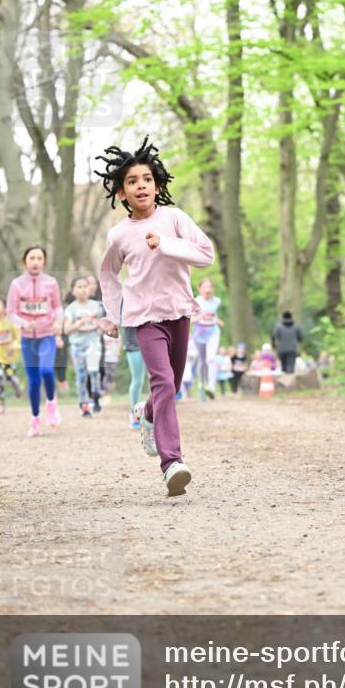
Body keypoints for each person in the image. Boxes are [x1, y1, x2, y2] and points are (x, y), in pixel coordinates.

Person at [96, 136, 214, 496]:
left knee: (172, 385)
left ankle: (146, 414)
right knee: (162, 381)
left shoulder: (174, 218)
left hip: (178, 312)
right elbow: (108, 274)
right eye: (131, 181)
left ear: (157, 184)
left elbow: (205, 254)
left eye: (146, 179)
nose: (140, 186)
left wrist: (165, 244)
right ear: (121, 193)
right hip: (144, 319)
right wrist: (112, 314)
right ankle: (172, 463)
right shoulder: (119, 235)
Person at [6, 245, 62, 436]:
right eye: (32, 258)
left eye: (39, 258)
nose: (36, 262)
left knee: (46, 371)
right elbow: (10, 312)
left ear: (44, 261)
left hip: (47, 334)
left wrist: (58, 323)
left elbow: (58, 307)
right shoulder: (16, 284)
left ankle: (52, 402)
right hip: (27, 338)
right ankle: (35, 419)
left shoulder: (51, 283)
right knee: (33, 380)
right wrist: (23, 323)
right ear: (25, 261)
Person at [63, 275, 104, 416]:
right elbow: (66, 329)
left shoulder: (96, 306)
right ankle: (84, 404)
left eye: (85, 286)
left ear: (90, 288)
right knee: (81, 375)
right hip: (77, 346)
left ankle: (96, 395)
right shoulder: (71, 309)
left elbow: (103, 323)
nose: (83, 290)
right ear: (73, 291)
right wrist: (78, 324)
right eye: (79, 287)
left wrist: (100, 328)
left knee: (93, 371)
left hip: (93, 343)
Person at [193, 277, 224, 399]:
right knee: (202, 360)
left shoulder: (217, 301)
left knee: (211, 359)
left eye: (210, 287)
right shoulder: (195, 302)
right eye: (205, 287)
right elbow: (189, 319)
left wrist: (217, 320)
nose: (208, 289)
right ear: (200, 289)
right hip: (199, 335)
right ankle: (201, 384)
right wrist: (198, 318)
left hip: (213, 333)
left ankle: (211, 386)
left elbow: (213, 315)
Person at [122, 325, 146, 429]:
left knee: (157, 379)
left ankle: (157, 413)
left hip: (152, 340)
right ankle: (135, 413)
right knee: (137, 380)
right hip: (133, 343)